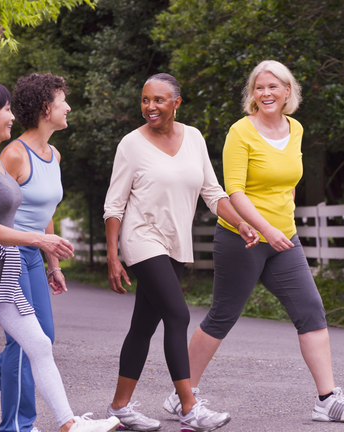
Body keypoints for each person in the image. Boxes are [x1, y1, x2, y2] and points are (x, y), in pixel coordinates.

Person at [160, 60, 344, 423]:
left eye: (274, 86)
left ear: (288, 91)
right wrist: (264, 229)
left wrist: (281, 221)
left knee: (310, 310)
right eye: (259, 88)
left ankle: (327, 399)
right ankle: (184, 395)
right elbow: (235, 192)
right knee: (223, 315)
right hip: (242, 239)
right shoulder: (240, 132)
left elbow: (288, 179)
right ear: (252, 94)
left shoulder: (297, 129)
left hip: (283, 239)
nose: (266, 93)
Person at [0, 80, 120, 432]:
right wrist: (41, 241)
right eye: (5, 109)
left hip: (3, 274)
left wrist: (47, 257)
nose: (12, 116)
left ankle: (69, 424)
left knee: (39, 344)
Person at [103, 73, 260, 432]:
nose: (150, 107)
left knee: (143, 326)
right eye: (145, 100)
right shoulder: (131, 144)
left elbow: (213, 192)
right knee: (178, 315)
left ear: (176, 102)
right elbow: (114, 205)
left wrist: (241, 223)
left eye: (158, 100)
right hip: (141, 238)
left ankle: (119, 406)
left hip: (174, 243)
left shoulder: (194, 138)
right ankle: (189, 407)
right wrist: (114, 255)